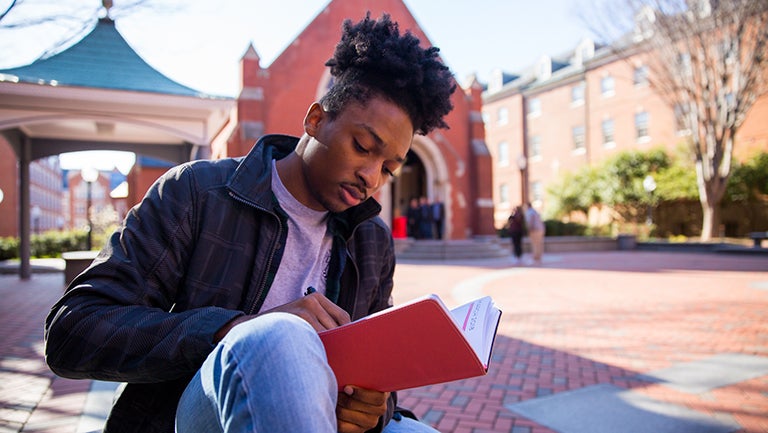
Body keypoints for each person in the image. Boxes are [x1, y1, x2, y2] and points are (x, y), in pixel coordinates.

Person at [44, 14, 455, 433]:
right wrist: (232, 328)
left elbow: (377, 369)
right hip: (190, 416)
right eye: (362, 147)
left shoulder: (372, 240)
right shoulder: (197, 193)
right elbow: (73, 331)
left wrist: (374, 407)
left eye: (388, 168)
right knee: (280, 337)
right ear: (315, 121)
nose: (371, 176)